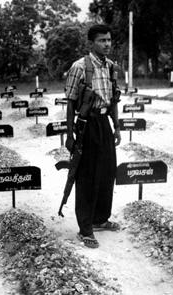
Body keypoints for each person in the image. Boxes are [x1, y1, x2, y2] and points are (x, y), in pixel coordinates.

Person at [64, 24, 121, 249]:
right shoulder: (80, 67)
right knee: (87, 177)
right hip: (87, 125)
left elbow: (114, 99)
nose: (106, 44)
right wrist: (69, 135)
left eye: (108, 40)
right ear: (92, 43)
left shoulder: (111, 67)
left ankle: (100, 219)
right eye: (102, 40)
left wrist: (116, 126)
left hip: (105, 124)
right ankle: (85, 229)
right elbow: (70, 103)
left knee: (107, 172)